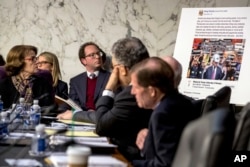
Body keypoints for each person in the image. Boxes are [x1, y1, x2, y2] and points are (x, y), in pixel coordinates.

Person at [130, 57, 196, 167]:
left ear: (152, 91)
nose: (132, 92)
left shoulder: (162, 114)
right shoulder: (182, 103)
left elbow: (164, 164)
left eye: (136, 87)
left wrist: (126, 164)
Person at [95, 37, 152, 160]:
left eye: (113, 67)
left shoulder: (131, 94)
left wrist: (108, 89)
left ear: (123, 69)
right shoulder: (154, 86)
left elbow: (101, 127)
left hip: (131, 159)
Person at [56, 42, 110, 122]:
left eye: (98, 53)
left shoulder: (111, 78)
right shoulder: (75, 81)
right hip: (80, 121)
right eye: (92, 55)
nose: (98, 57)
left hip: (102, 120)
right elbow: (73, 103)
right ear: (84, 61)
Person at [0, 45, 54, 109]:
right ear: (19, 62)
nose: (37, 62)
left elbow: (49, 108)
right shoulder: (4, 84)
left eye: (36, 58)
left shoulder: (43, 82)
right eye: (32, 59)